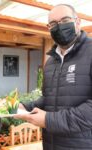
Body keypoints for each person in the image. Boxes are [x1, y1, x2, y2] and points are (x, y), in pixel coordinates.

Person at [15, 4, 92, 150]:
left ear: (78, 22)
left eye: (65, 20)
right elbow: (48, 98)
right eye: (53, 24)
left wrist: (48, 120)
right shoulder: (51, 61)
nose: (59, 27)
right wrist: (23, 107)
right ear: (48, 28)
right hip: (50, 144)